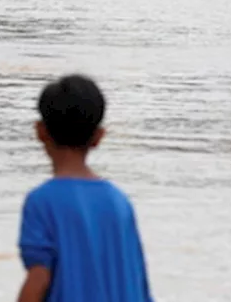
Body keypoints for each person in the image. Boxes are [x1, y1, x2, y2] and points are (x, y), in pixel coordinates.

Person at [17, 75, 152, 302]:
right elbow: (139, 282)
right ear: (99, 136)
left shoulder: (42, 201)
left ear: (40, 131)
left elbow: (39, 279)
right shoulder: (119, 202)